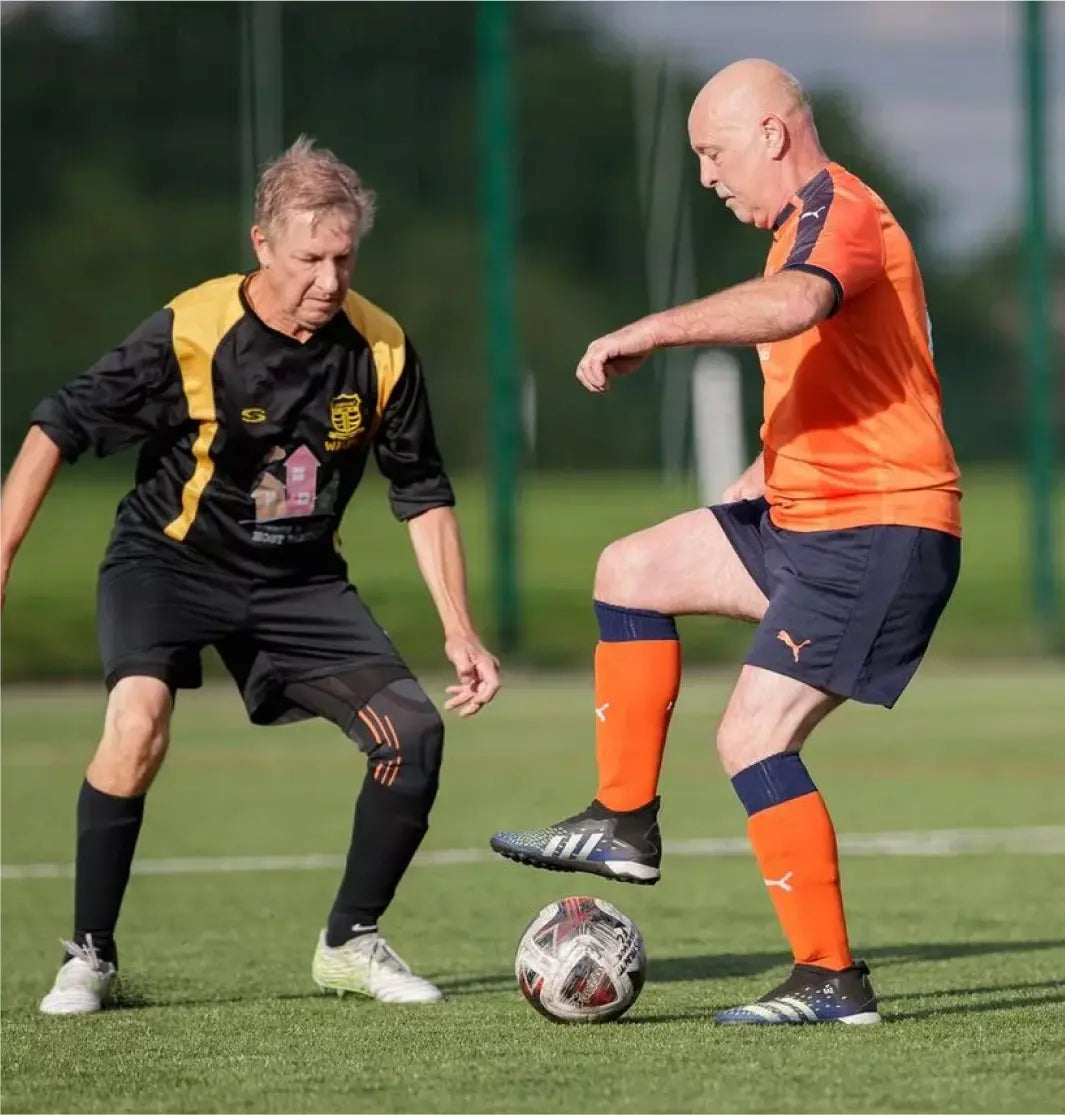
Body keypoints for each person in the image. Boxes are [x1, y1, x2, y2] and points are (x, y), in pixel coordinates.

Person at [490, 59, 962, 1026]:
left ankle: (830, 981)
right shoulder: (797, 231)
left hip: (878, 527)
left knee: (750, 736)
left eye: (713, 153)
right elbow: (823, 391)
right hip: (808, 518)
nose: (707, 176)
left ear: (773, 134)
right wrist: (744, 492)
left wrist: (653, 330)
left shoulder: (840, 211)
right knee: (631, 566)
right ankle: (623, 822)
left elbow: (796, 304)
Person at [1, 136, 500, 1015]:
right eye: (310, 256)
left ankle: (349, 941)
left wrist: (460, 627)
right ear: (262, 243)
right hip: (168, 558)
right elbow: (58, 424)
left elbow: (421, 489)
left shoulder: (379, 348)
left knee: (412, 734)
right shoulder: (192, 329)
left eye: (344, 256)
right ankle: (90, 953)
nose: (329, 278)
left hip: (297, 578)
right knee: (139, 719)